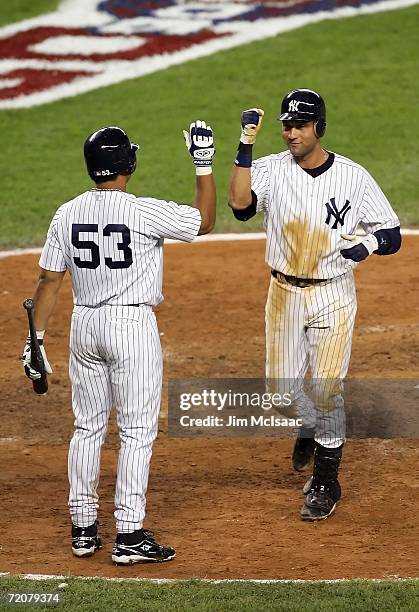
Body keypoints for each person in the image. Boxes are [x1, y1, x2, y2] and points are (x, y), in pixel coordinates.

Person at [22, 120, 216, 563]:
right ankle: (129, 535)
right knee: (136, 431)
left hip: (83, 326)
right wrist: (202, 163)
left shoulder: (65, 212)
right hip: (131, 328)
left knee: (87, 427)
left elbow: (48, 281)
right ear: (128, 162)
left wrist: (34, 340)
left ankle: (83, 529)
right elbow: (204, 221)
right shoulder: (143, 211)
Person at [228, 89, 401, 521]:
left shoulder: (353, 177)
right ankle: (309, 425)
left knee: (326, 390)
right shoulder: (268, 168)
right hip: (283, 294)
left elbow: (392, 233)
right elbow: (240, 206)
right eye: (286, 125)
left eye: (300, 125)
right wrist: (245, 146)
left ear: (318, 128)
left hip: (332, 294)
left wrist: (367, 245)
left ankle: (326, 481)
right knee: (281, 394)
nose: (291, 132)